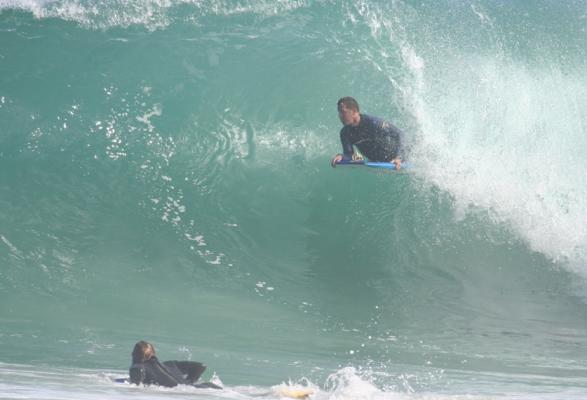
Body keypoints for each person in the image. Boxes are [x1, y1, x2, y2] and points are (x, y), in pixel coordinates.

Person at [330, 97, 404, 169]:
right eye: (339, 112)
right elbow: (350, 155)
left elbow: (399, 134)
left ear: (355, 111)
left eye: (343, 112)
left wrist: (398, 157)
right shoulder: (345, 133)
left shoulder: (373, 123)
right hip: (376, 161)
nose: (340, 116)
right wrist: (342, 156)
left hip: (398, 157)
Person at [129, 340, 222, 389]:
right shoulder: (171, 365)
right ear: (154, 353)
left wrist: (136, 386)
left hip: (180, 391)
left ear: (134, 355)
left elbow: (138, 371)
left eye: (133, 352)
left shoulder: (139, 366)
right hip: (203, 388)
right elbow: (200, 366)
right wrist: (189, 384)